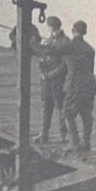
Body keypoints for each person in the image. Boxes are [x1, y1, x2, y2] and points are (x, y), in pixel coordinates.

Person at [32, 20, 96, 152]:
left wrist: (33, 44)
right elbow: (80, 67)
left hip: (75, 84)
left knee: (67, 112)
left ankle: (75, 143)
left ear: (73, 30)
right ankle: (86, 142)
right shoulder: (90, 49)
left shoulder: (71, 46)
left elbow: (52, 50)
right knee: (86, 114)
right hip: (90, 84)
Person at [30, 16, 70, 144]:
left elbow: (64, 66)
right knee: (46, 107)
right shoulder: (49, 40)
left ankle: (64, 135)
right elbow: (44, 54)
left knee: (60, 108)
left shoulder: (65, 42)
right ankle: (44, 134)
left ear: (57, 28)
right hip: (46, 82)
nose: (52, 31)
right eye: (51, 29)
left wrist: (49, 75)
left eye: (53, 29)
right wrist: (41, 63)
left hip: (58, 81)